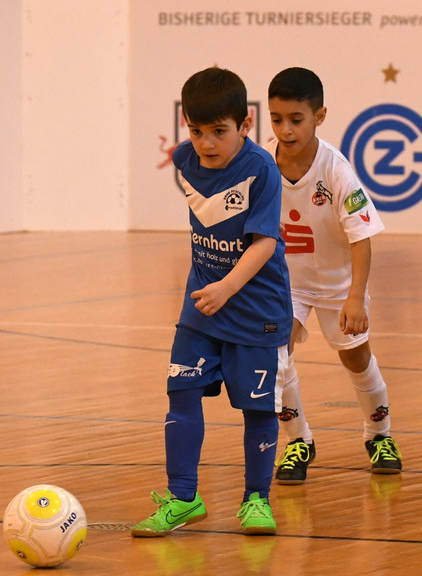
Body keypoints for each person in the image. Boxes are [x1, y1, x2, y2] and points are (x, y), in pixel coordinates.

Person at [131, 66, 292, 537]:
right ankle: (183, 498)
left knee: (258, 410)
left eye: (219, 131)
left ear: (245, 124)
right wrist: (211, 288)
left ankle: (256, 500)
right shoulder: (185, 160)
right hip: (201, 308)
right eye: (197, 131)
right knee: (180, 394)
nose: (206, 143)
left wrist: (227, 287)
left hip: (256, 311)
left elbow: (265, 243)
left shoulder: (261, 169)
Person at [264, 67, 402, 485]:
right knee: (276, 358)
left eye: (296, 119)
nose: (285, 130)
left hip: (337, 285)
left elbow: (361, 238)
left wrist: (355, 297)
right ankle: (298, 440)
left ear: (319, 116)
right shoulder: (263, 163)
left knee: (356, 359)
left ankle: (380, 435)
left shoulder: (336, 170)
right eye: (276, 119)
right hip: (287, 285)